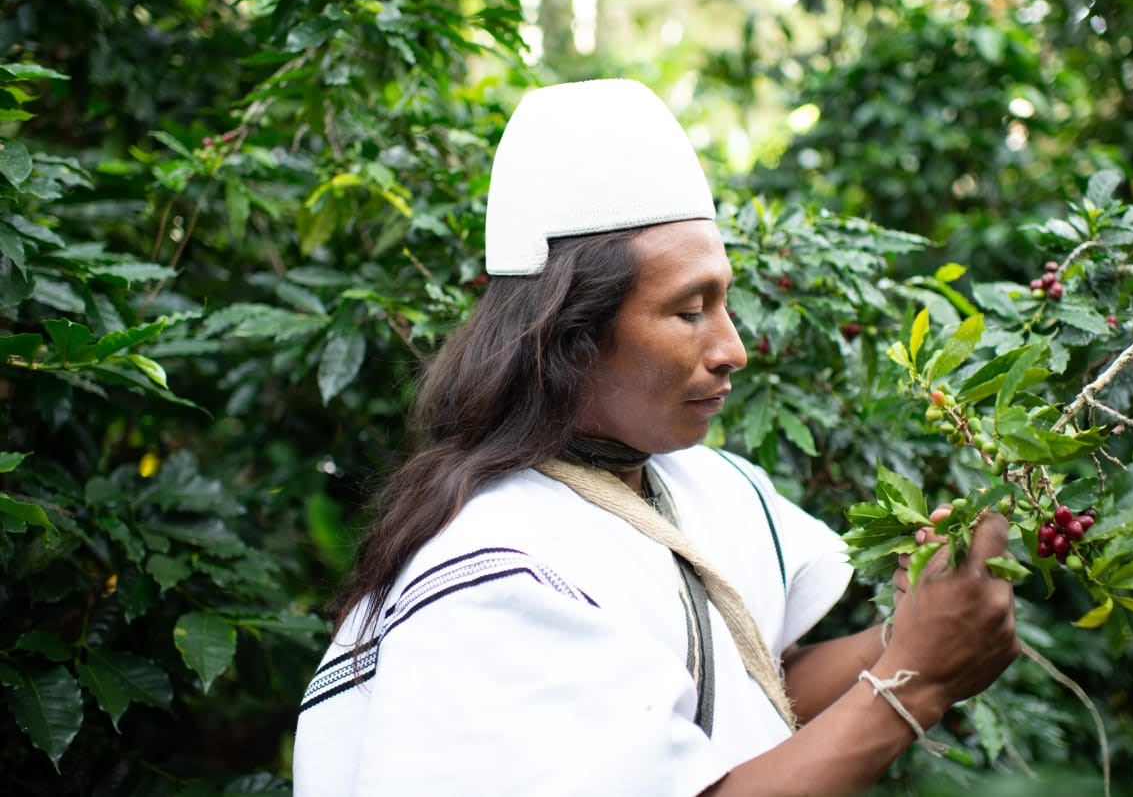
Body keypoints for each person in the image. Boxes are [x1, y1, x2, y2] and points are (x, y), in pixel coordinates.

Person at [292, 79, 1019, 796]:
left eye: (724, 301)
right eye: (689, 311)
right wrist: (918, 681)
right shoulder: (497, 573)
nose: (733, 347)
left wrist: (915, 634)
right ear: (572, 337)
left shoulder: (713, 486)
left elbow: (757, 688)